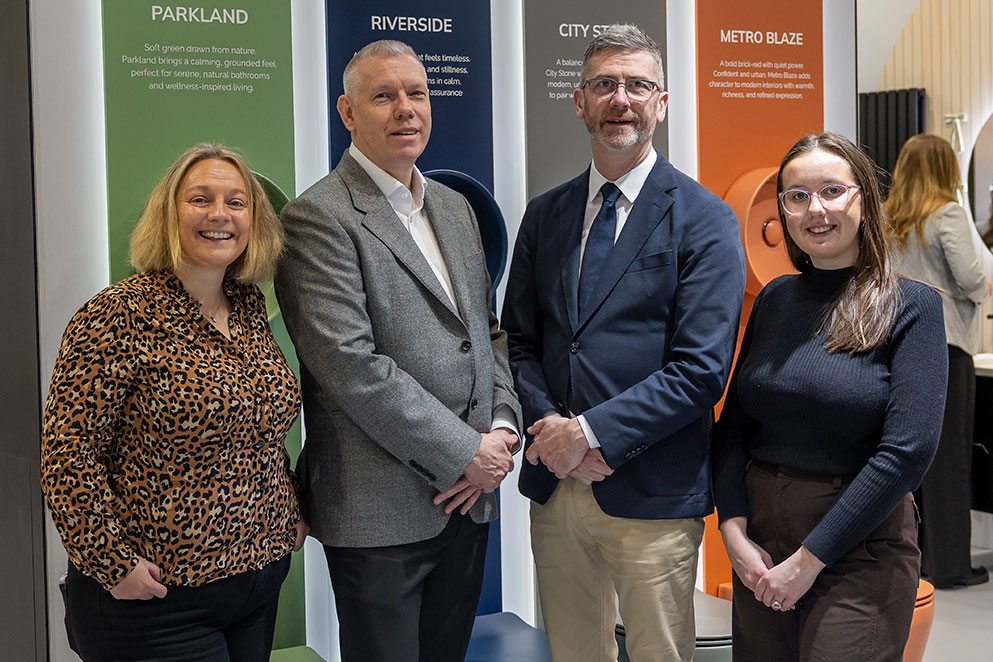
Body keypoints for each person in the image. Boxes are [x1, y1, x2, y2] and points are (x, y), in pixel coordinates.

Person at [502, 24, 745, 662]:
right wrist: (554, 434)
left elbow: (700, 371)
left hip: (652, 489)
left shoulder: (705, 219)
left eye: (638, 86)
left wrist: (589, 435)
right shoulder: (545, 215)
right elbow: (518, 343)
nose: (621, 99)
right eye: (605, 85)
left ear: (661, 104)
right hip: (557, 488)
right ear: (579, 102)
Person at [274, 39, 522, 662]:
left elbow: (486, 332)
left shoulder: (455, 208)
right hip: (379, 514)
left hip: (468, 502)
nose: (405, 109)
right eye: (383, 96)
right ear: (347, 112)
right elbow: (351, 368)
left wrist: (500, 429)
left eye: (417, 93)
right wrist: (465, 452)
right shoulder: (316, 218)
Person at [42, 143, 306, 662]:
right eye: (200, 199)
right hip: (158, 600)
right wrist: (112, 563)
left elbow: (256, 429)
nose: (219, 214)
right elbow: (68, 454)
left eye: (236, 202)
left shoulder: (248, 307)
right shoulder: (117, 315)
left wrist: (287, 508)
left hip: (256, 584)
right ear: (169, 214)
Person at [712, 132, 947, 661]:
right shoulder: (775, 299)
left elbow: (906, 454)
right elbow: (733, 427)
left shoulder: (912, 307)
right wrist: (733, 532)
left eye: (832, 191)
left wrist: (808, 561)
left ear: (864, 197)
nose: (815, 210)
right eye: (797, 196)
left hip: (860, 546)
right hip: (761, 543)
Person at [886, 134, 990, 589]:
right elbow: (971, 277)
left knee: (915, 456)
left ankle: (919, 558)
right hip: (947, 344)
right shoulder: (947, 213)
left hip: (902, 345)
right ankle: (950, 564)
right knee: (950, 458)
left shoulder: (890, 218)